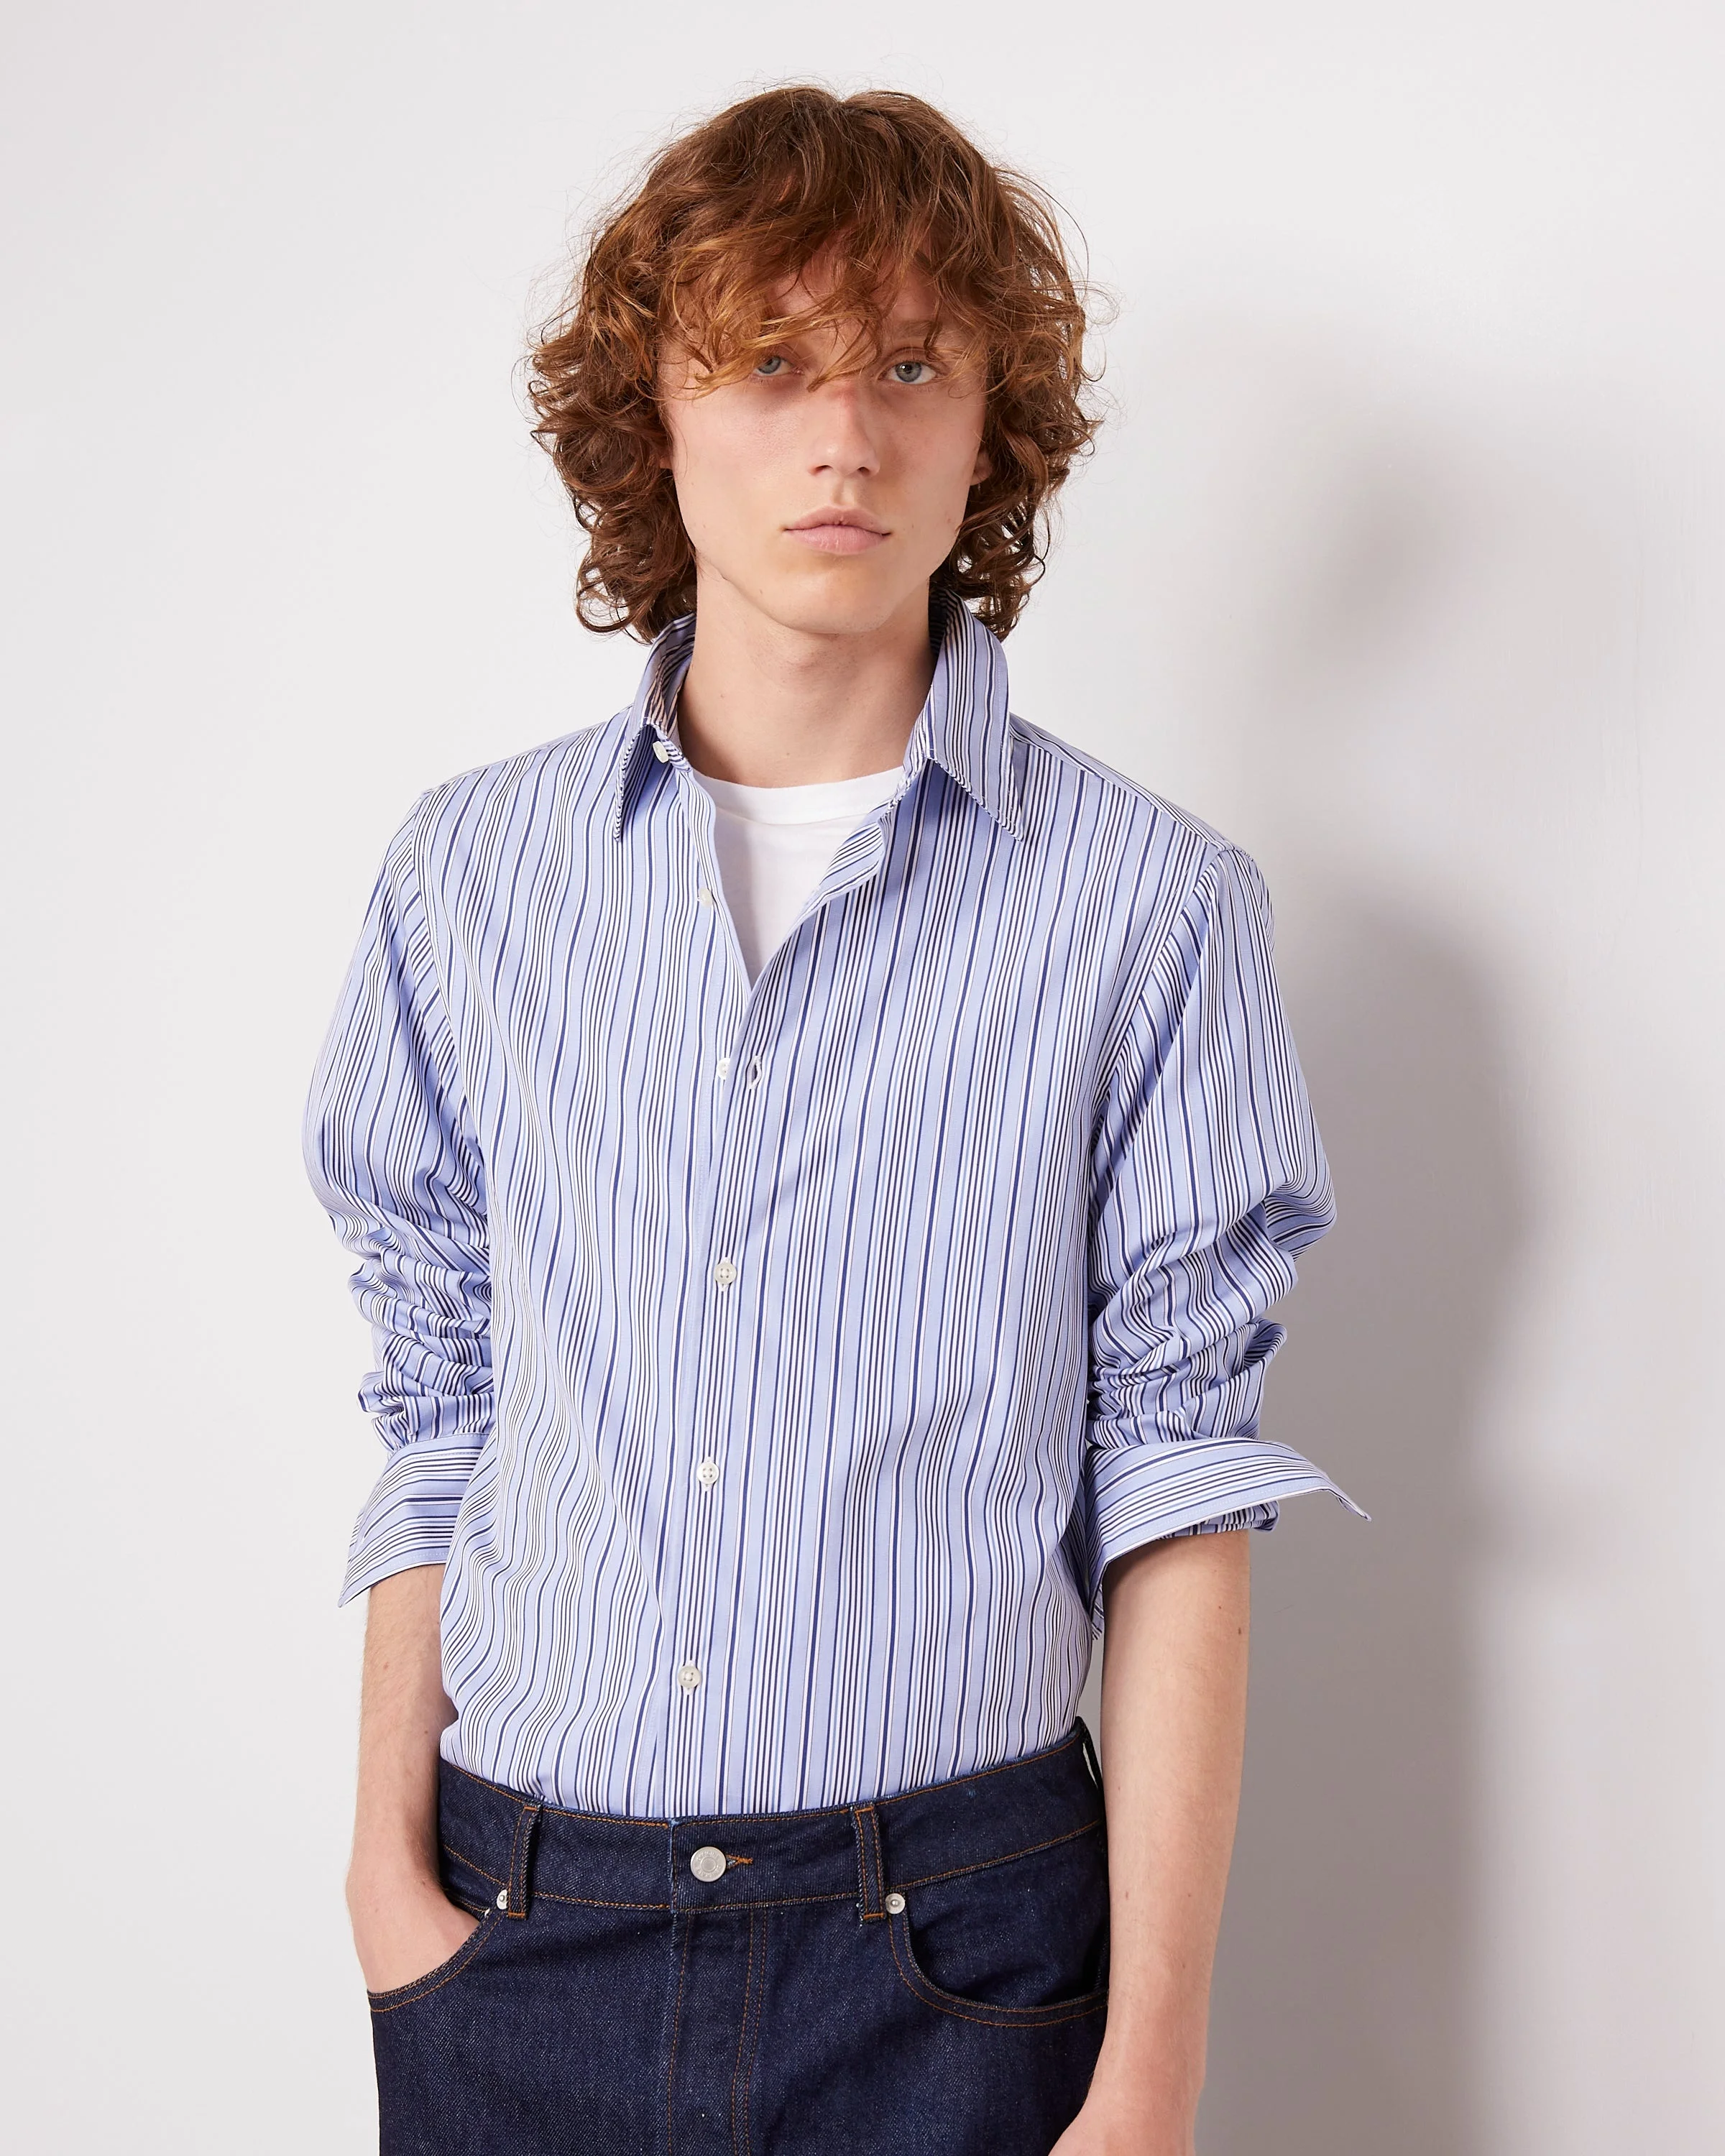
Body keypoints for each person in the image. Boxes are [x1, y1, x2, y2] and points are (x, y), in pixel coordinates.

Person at [302, 83, 1365, 2156]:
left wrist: (1151, 2060)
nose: (845, 437)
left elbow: (1176, 1489)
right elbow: (440, 1398)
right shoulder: (471, 880)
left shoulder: (1150, 907)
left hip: (961, 1954)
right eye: (771, 363)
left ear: (992, 430)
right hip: (519, 1937)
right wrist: (385, 1882)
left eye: (912, 366)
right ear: (657, 413)